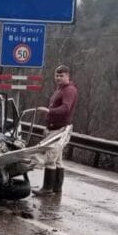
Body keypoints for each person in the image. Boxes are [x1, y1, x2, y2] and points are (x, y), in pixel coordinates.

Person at [34, 64, 78, 195]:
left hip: (59, 130)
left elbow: (66, 108)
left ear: (68, 76)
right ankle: (57, 188)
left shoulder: (69, 90)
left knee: (50, 159)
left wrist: (49, 111)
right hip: (56, 128)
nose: (58, 78)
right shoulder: (61, 89)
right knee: (58, 160)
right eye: (57, 75)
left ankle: (47, 189)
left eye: (61, 75)